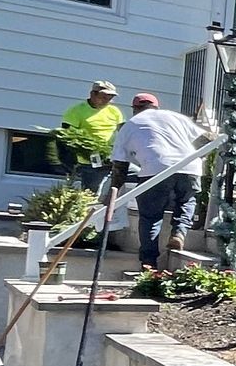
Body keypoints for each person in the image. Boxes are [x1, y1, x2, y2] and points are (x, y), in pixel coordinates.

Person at [109, 93, 205, 269]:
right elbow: (207, 140)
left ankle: (149, 262)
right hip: (189, 166)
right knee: (186, 200)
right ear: (156, 107)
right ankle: (179, 232)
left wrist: (113, 192)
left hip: (154, 169)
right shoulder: (175, 117)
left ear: (135, 109)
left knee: (150, 216)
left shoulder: (128, 126)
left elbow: (119, 165)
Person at [57, 80, 122, 190]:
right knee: (91, 191)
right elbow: (67, 135)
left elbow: (124, 131)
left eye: (110, 97)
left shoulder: (114, 111)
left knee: (135, 175)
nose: (107, 100)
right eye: (104, 96)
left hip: (111, 157)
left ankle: (113, 203)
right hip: (89, 158)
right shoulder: (77, 110)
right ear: (93, 94)